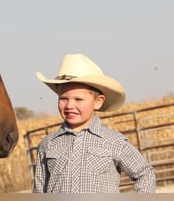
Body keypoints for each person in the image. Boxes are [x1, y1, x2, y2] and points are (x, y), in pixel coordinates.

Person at [33, 54, 156, 193]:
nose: (69, 105)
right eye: (63, 99)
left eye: (78, 99)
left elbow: (145, 174)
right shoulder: (48, 144)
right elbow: (39, 188)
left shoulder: (114, 142)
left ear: (98, 102)